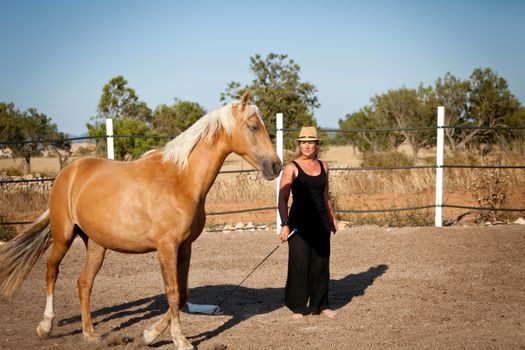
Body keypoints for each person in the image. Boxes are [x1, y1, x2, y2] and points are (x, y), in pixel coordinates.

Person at [278, 126, 338, 319]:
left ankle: (321, 305)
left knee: (321, 264)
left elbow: (325, 195)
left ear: (317, 145)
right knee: (300, 264)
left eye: (310, 142)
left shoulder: (324, 166)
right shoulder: (291, 168)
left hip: (320, 221)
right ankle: (297, 306)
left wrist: (332, 218)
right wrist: (285, 224)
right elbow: (282, 199)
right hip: (298, 223)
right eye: (303, 142)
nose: (307, 146)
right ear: (299, 145)